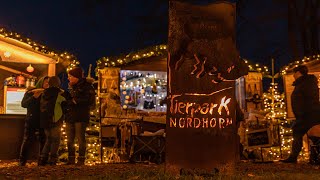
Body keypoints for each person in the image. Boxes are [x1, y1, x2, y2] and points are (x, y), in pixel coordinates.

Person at [280, 65, 320, 163]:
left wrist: (303, 112)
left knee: (301, 134)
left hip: (308, 115)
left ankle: (295, 157)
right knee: (303, 135)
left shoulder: (306, 83)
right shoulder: (303, 83)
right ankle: (309, 156)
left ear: (298, 73)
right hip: (305, 115)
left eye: (294, 73)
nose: (293, 75)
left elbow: (309, 99)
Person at [66, 67, 95, 165]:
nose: (68, 78)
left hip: (81, 117)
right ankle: (71, 159)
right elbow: (68, 100)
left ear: (76, 77)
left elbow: (89, 101)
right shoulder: (71, 87)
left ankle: (81, 159)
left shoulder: (87, 86)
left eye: (70, 76)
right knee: (70, 140)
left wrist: (76, 101)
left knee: (80, 138)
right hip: (70, 116)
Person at [38, 76, 71, 166]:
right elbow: (66, 106)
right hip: (55, 119)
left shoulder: (44, 93)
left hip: (44, 121)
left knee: (48, 139)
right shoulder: (60, 94)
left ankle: (43, 159)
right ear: (58, 83)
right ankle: (53, 160)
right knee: (56, 140)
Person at [19, 76, 49, 166]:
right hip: (31, 120)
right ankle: (22, 161)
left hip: (43, 121)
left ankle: (42, 162)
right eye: (46, 82)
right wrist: (34, 97)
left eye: (49, 82)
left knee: (43, 141)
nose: (47, 84)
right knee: (27, 140)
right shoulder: (31, 92)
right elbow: (24, 104)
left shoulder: (49, 94)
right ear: (41, 82)